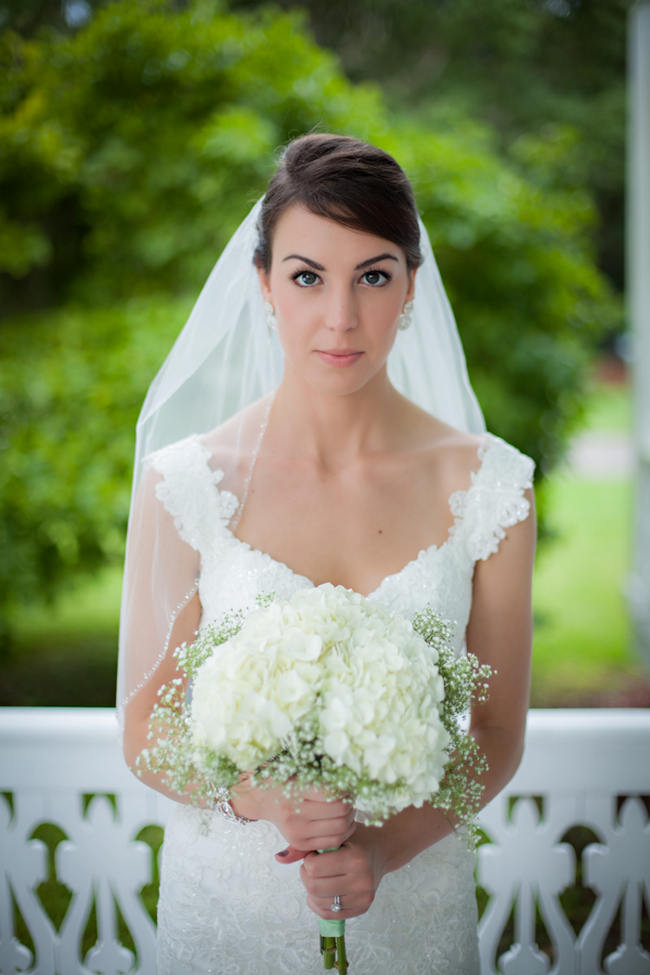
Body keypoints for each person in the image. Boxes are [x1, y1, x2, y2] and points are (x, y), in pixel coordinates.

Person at [117, 133, 536, 975]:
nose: (341, 317)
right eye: (308, 276)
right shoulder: (186, 482)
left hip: (413, 910)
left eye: (373, 276)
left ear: (411, 284)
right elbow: (142, 726)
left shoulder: (493, 485)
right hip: (229, 906)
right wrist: (255, 796)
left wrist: (387, 847)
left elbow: (495, 731)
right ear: (266, 284)